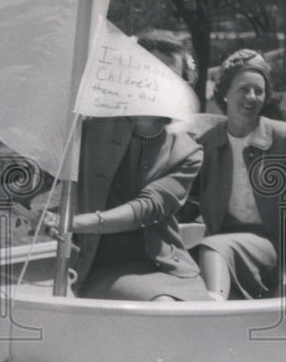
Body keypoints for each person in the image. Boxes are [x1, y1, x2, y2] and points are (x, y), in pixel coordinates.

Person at [48, 30, 210, 302]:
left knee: (191, 313)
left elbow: (144, 210)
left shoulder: (188, 151)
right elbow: (46, 166)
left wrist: (72, 223)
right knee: (165, 308)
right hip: (101, 265)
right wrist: (17, 189)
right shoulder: (88, 126)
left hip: (170, 268)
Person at [192, 49, 286, 299]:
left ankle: (210, 310)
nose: (252, 97)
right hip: (221, 244)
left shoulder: (283, 136)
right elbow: (184, 201)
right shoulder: (207, 144)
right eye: (243, 89)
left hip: (269, 246)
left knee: (213, 248)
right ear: (225, 93)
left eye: (258, 91)